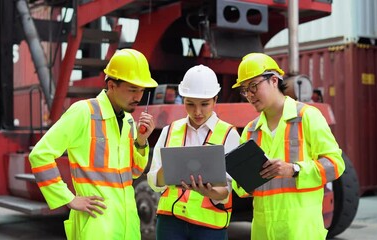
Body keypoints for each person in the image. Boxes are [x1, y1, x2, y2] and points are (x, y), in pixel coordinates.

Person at [28, 49, 158, 240]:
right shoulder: (83, 112)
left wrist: (141, 141)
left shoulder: (129, 121)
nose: (138, 97)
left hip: (128, 227)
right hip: (97, 228)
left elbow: (135, 172)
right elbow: (39, 155)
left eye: (141, 90)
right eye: (132, 90)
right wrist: (68, 199)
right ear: (112, 85)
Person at [232, 53, 345, 240]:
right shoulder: (250, 131)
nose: (249, 95)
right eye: (244, 90)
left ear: (274, 80)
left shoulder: (307, 117)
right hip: (263, 231)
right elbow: (241, 189)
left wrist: (294, 169)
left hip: (301, 231)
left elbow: (335, 164)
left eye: (253, 86)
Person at [147, 64, 240, 240]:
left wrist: (209, 192)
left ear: (215, 100)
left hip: (209, 226)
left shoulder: (229, 135)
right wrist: (168, 169)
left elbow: (227, 189)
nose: (197, 112)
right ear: (183, 100)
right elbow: (153, 182)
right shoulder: (170, 130)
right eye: (190, 104)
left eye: (204, 104)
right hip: (170, 223)